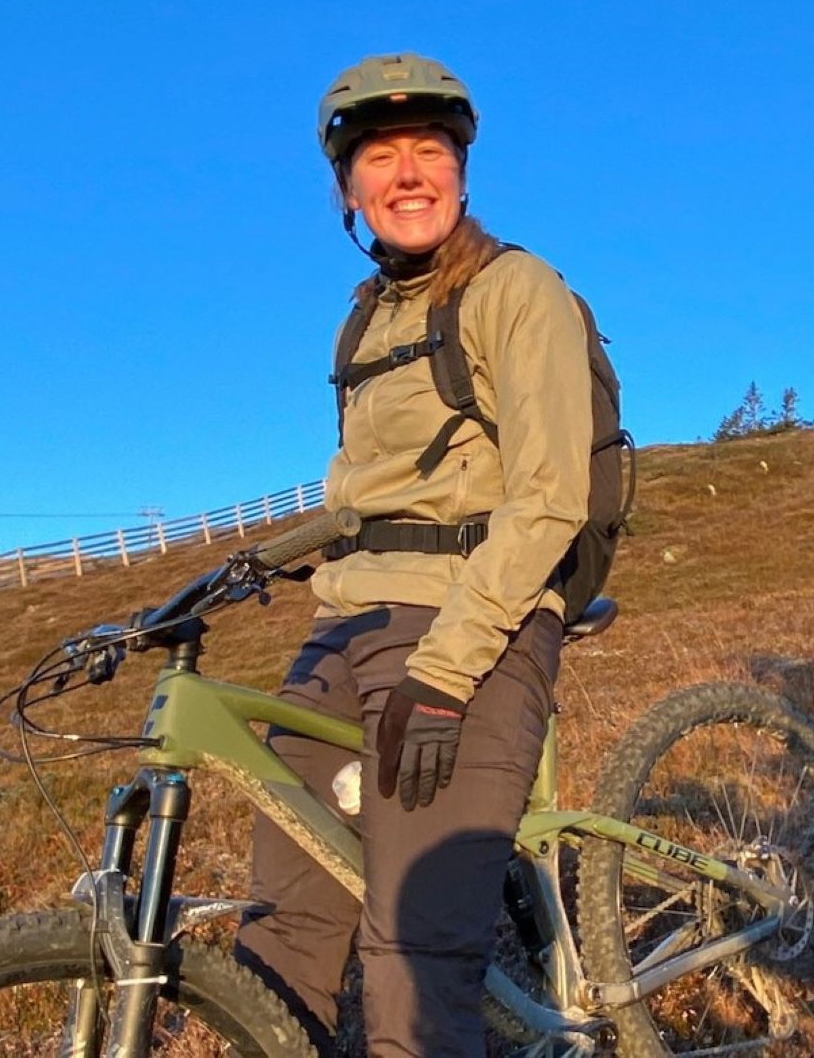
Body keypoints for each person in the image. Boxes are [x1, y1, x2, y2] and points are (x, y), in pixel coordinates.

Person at [231, 52, 594, 1056]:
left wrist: (444, 673)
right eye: (379, 157)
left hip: (468, 622)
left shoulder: (516, 290)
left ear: (463, 169)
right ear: (348, 189)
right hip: (343, 628)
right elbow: (364, 503)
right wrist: (229, 578)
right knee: (280, 931)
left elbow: (552, 497)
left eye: (427, 149)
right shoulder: (366, 323)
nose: (406, 173)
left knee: (411, 964)